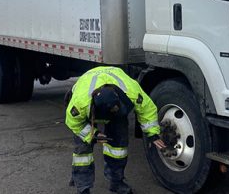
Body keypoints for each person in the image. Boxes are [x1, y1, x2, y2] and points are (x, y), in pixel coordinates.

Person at [66, 66, 166, 194]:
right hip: (87, 96)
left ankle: (116, 181)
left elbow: (147, 109)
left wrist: (153, 134)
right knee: (82, 152)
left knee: (119, 146)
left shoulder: (131, 91)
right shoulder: (80, 103)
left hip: (113, 90)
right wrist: (93, 133)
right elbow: (74, 123)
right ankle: (82, 187)